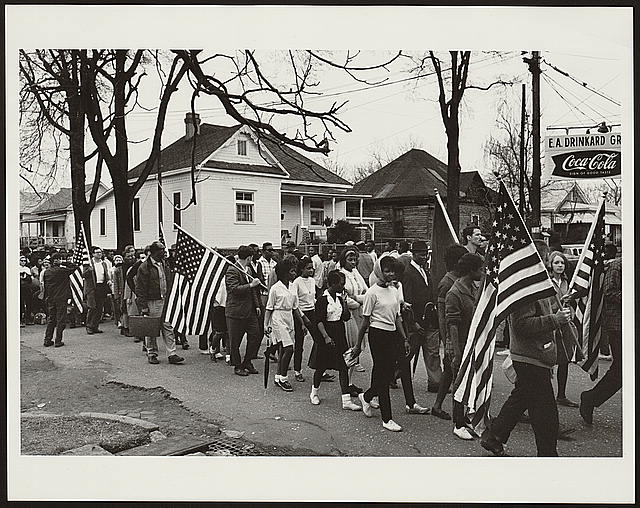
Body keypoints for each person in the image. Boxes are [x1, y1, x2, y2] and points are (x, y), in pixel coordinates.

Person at [481, 240, 572, 457]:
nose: (549, 263)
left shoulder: (538, 285)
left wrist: (559, 304)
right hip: (530, 357)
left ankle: (494, 436)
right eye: (545, 258)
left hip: (536, 354)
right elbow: (522, 325)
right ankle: (547, 455)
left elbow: (542, 311)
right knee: (545, 413)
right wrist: (554, 319)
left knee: (521, 398)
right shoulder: (525, 289)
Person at [353, 256, 409, 432]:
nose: (390, 273)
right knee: (384, 376)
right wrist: (357, 345)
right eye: (386, 270)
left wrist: (405, 338)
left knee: (386, 373)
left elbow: (397, 317)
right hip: (377, 334)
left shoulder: (393, 290)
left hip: (392, 334)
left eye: (392, 270)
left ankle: (367, 396)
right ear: (379, 271)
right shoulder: (372, 293)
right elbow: (365, 321)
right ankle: (387, 418)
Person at [579, 252, 621, 425]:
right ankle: (590, 399)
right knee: (621, 371)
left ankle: (591, 398)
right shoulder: (617, 266)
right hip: (618, 325)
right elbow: (609, 292)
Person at [445, 253, 484, 440]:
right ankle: (457, 423)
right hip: (459, 343)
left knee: (469, 381)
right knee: (458, 382)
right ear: (471, 270)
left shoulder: (471, 288)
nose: (482, 272)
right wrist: (456, 353)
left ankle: (465, 417)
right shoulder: (455, 292)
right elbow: (451, 323)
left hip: (471, 341)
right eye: (480, 269)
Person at [310, 269, 361, 410]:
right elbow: (319, 320)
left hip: (339, 333)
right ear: (332, 284)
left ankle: (346, 400)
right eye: (340, 284)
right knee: (321, 366)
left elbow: (345, 317)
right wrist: (326, 336)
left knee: (343, 366)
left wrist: (344, 302)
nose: (343, 286)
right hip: (326, 333)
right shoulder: (322, 299)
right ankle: (314, 392)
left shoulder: (339, 299)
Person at [431, 244, 469, 420]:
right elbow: (442, 315)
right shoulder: (447, 283)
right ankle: (459, 414)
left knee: (448, 371)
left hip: (462, 332)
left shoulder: (460, 279)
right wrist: (446, 340)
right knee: (454, 371)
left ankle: (437, 405)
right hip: (452, 335)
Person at [401, 240, 442, 393]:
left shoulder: (426, 271)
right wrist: (413, 323)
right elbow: (407, 300)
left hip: (429, 318)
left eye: (425, 254)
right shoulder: (408, 273)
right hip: (416, 320)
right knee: (410, 351)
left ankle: (435, 381)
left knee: (433, 351)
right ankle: (393, 374)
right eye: (420, 254)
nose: (424, 257)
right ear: (413, 254)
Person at [264, 259, 310, 391]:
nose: (294, 273)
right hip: (278, 318)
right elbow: (269, 308)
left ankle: (278, 376)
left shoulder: (293, 286)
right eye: (292, 271)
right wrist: (265, 325)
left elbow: (295, 308)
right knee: (289, 348)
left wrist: (303, 324)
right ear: (284, 273)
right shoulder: (275, 288)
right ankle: (283, 377)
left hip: (289, 318)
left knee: (283, 349)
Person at [136, 241, 184, 365]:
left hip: (165, 300)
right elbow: (140, 288)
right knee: (151, 328)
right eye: (161, 250)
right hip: (152, 301)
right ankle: (151, 353)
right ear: (154, 252)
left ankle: (171, 353)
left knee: (168, 326)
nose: (164, 252)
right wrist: (143, 306)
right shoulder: (145, 267)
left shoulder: (164, 263)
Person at [547, 251, 578, 408]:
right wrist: (559, 301)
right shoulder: (547, 283)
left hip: (565, 325)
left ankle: (561, 395)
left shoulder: (567, 282)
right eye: (556, 263)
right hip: (551, 326)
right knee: (548, 362)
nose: (559, 266)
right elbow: (546, 308)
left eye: (562, 263)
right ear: (551, 265)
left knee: (564, 360)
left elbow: (572, 305)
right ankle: (544, 396)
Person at [226, 245, 262, 376]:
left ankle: (247, 361)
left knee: (255, 335)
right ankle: (237, 365)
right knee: (235, 341)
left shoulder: (248, 270)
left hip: (250, 310)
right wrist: (251, 285)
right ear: (249, 257)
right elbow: (233, 289)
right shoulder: (232, 270)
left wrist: (257, 305)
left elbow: (253, 291)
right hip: (236, 311)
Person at [339, 247, 369, 383]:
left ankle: (350, 378)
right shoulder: (341, 274)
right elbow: (343, 296)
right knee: (350, 345)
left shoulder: (356, 273)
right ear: (343, 261)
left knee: (359, 342)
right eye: (349, 259)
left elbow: (366, 291)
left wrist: (358, 298)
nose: (353, 262)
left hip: (359, 312)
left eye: (354, 259)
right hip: (348, 313)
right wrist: (358, 301)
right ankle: (347, 381)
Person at [291, 256, 320, 382]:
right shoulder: (296, 282)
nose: (311, 270)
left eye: (312, 268)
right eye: (308, 268)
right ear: (302, 269)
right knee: (299, 344)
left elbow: (313, 298)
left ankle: (319, 367)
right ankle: (297, 371)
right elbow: (295, 303)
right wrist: (303, 321)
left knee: (319, 340)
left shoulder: (312, 281)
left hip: (312, 312)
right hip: (300, 314)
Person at [42, 253, 78, 347]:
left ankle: (47, 340)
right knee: (60, 320)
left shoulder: (47, 272)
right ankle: (58, 340)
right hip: (61, 298)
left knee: (51, 319)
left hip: (51, 298)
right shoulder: (62, 270)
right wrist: (64, 262)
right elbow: (74, 267)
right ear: (57, 260)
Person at [83, 246, 112, 335]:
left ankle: (95, 326)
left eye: (100, 252)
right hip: (92, 288)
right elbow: (83, 274)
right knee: (92, 307)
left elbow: (106, 273)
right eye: (97, 252)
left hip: (101, 286)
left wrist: (108, 280)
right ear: (93, 254)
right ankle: (89, 326)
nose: (99, 254)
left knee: (100, 308)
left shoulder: (103, 263)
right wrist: (89, 271)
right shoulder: (89, 263)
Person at [111, 254, 124, 330]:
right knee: (116, 307)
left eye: (120, 260)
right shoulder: (112, 269)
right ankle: (118, 320)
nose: (118, 261)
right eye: (117, 260)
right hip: (114, 289)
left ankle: (122, 320)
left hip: (121, 289)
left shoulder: (122, 269)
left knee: (121, 306)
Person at [20, 255, 34, 326]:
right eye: (21, 261)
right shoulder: (17, 268)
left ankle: (28, 318)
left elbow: (31, 279)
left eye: (24, 261)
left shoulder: (27, 269)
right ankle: (20, 320)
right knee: (20, 304)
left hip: (27, 289)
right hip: (20, 289)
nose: (23, 262)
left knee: (29, 303)